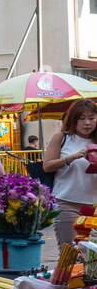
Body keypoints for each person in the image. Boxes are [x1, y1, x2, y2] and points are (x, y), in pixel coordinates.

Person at [43, 99, 97, 248]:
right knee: (71, 254)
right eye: (82, 118)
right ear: (73, 120)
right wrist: (71, 157)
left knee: (93, 256)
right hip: (67, 204)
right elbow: (47, 166)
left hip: (94, 206)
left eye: (92, 118)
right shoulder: (62, 137)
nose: (87, 123)